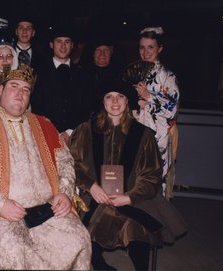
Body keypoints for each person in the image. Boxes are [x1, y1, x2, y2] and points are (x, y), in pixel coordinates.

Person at [0, 64, 91, 269]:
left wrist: (64, 192)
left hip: (48, 209)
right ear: (1, 89)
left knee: (79, 239)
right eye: (14, 86)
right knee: (13, 251)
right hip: (2, 214)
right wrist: (0, 204)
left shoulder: (45, 124)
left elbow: (65, 161)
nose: (20, 93)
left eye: (26, 89)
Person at [68, 82, 186, 271]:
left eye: (120, 96)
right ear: (103, 101)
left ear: (127, 100)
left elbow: (152, 174)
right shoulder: (85, 130)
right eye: (109, 96)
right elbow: (71, 164)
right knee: (92, 223)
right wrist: (91, 185)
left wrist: (129, 197)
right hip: (95, 194)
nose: (115, 101)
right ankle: (98, 263)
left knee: (136, 226)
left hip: (133, 195)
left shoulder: (143, 134)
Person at [133, 26, 179, 199]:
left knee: (154, 178)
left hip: (158, 133)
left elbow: (172, 108)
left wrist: (149, 98)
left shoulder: (168, 76)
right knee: (135, 176)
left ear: (160, 48)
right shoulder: (138, 72)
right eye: (142, 47)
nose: (145, 52)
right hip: (137, 127)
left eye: (150, 47)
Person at [31, 25, 91, 141]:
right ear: (51, 45)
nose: (63, 46)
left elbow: (86, 107)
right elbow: (36, 107)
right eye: (59, 41)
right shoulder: (38, 73)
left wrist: (69, 132)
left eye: (67, 42)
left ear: (72, 45)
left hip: (75, 138)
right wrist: (52, 131)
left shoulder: (83, 74)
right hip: (46, 136)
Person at [80, 36, 122, 114]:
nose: (102, 54)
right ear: (93, 53)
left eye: (106, 50)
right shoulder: (81, 75)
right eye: (98, 50)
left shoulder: (120, 75)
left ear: (111, 52)